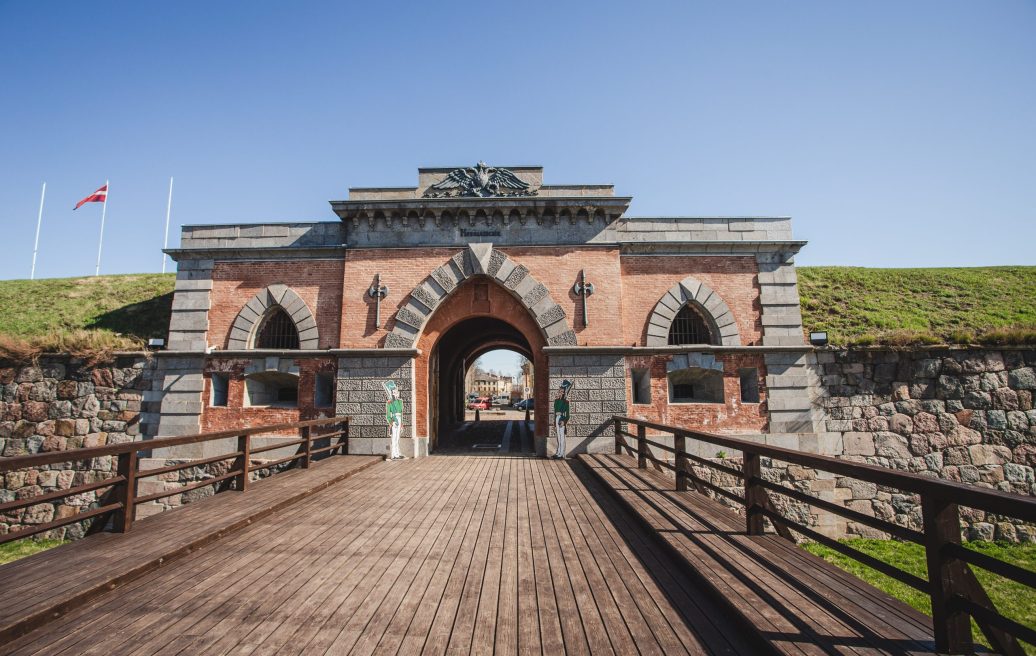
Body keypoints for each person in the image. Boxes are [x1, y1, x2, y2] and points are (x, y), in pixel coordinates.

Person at [384, 381, 404, 460]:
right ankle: (393, 455)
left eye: (396, 392)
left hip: (399, 419)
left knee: (398, 438)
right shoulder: (389, 403)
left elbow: (401, 413)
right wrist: (391, 422)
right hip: (394, 420)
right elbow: (388, 415)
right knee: (394, 438)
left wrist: (401, 423)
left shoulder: (400, 402)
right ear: (391, 393)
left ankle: (397, 453)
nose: (394, 394)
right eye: (393, 392)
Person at [552, 380, 572, 459]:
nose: (559, 392)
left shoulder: (566, 402)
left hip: (562, 420)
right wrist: (554, 423)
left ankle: (561, 453)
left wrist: (564, 421)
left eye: (561, 391)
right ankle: (558, 452)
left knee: (562, 437)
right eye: (559, 391)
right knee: (558, 437)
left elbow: (567, 415)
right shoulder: (556, 401)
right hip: (557, 419)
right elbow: (554, 413)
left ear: (564, 393)